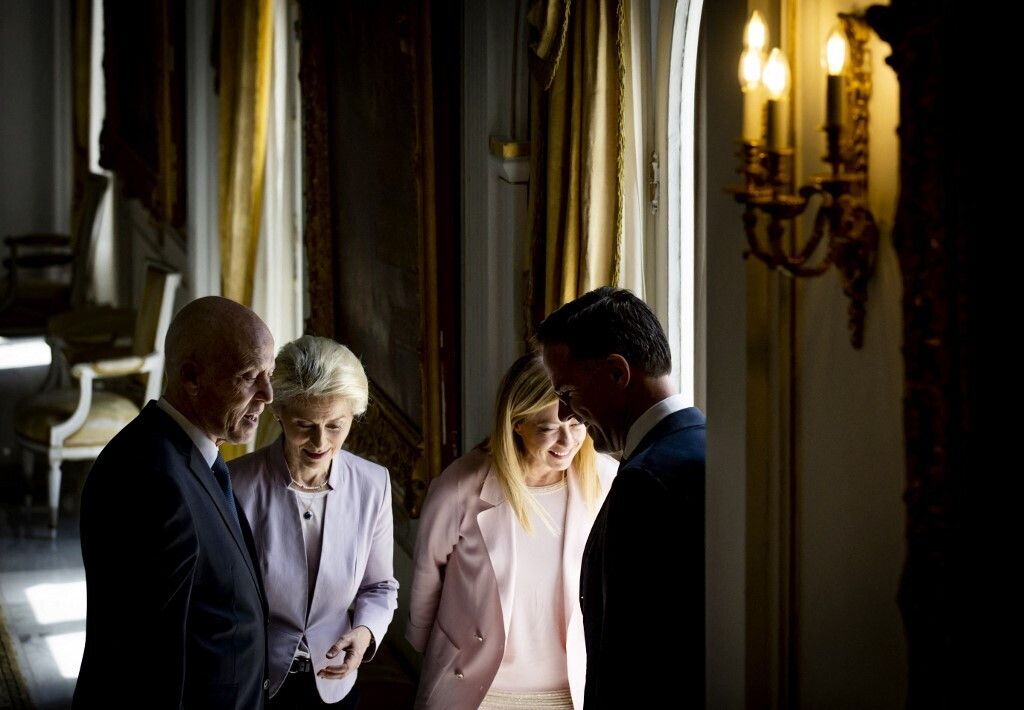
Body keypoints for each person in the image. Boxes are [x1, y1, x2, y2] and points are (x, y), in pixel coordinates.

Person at [74, 297, 274, 710]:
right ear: (192, 377)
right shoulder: (152, 482)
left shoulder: (194, 457)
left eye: (268, 375)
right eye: (250, 376)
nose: (267, 395)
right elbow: (145, 663)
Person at [407, 353, 617, 709]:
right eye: (549, 429)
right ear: (516, 423)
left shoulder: (608, 480)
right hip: (478, 692)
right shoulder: (460, 486)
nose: (566, 442)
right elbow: (428, 578)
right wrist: (431, 652)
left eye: (577, 424)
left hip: (572, 692)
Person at [536, 286, 707, 709]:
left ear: (617, 372)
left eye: (568, 394)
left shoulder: (646, 481)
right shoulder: (708, 445)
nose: (564, 415)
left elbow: (630, 658)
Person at [231, 335, 398, 708]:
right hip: (255, 682)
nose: (320, 441)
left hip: (335, 681)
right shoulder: (234, 484)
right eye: (304, 424)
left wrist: (367, 631)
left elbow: (380, 586)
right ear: (279, 412)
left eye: (336, 425)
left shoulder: (374, 484)